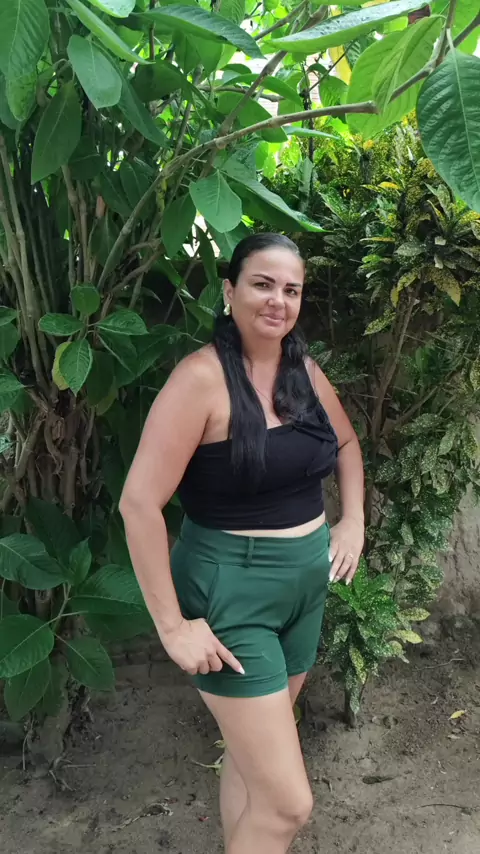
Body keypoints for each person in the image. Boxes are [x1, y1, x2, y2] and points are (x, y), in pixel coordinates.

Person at [120, 233, 364, 854]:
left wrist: (352, 521)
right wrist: (173, 628)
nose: (279, 300)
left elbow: (346, 443)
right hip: (232, 592)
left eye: (292, 290)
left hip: (304, 587)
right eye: (263, 284)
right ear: (229, 291)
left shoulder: (304, 372)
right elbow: (139, 504)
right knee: (288, 804)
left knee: (251, 762)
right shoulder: (199, 380)